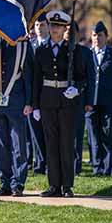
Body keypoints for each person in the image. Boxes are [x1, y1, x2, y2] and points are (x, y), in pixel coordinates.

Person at [32, 11, 86, 198]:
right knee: (51, 144)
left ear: (65, 29)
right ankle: (54, 185)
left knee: (66, 144)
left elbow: (82, 77)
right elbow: (36, 80)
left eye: (58, 27)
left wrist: (76, 89)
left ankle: (67, 186)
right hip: (47, 100)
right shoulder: (41, 50)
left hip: (66, 101)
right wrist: (35, 105)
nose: (54, 30)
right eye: (52, 26)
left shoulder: (73, 50)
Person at [0, 29, 33, 196]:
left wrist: (29, 102)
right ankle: (4, 182)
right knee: (1, 145)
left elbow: (28, 74)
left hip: (16, 100)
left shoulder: (23, 44)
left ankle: (18, 183)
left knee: (18, 143)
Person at [88, 21, 112, 176]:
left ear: (106, 37)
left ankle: (107, 168)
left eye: (100, 35)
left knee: (108, 134)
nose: (97, 38)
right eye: (94, 35)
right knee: (94, 136)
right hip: (91, 101)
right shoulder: (87, 54)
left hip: (109, 100)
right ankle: (97, 168)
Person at [64, 22, 95, 175]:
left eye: (71, 32)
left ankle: (76, 166)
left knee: (76, 134)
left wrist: (89, 102)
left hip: (78, 99)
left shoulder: (85, 53)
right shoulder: (58, 51)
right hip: (59, 99)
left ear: (76, 34)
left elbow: (90, 78)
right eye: (66, 31)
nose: (68, 34)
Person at [28, 15, 49, 175]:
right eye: (37, 25)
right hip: (34, 95)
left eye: (42, 25)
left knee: (49, 131)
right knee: (35, 133)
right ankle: (39, 163)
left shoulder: (52, 45)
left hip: (49, 94)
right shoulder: (31, 45)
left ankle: (50, 162)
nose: (39, 28)